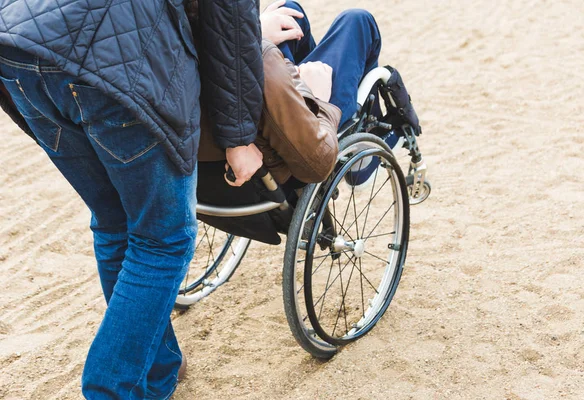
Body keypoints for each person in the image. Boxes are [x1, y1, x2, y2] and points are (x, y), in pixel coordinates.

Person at [0, 1, 263, 398]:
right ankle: (110, 391)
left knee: (113, 221)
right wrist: (240, 135)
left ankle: (157, 376)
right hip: (112, 59)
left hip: (17, 44)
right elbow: (229, 13)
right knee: (163, 240)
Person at [198, 0, 420, 189]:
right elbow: (314, 157)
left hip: (223, 114)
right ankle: (363, 158)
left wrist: (255, 32)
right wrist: (317, 99)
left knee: (291, 12)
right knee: (359, 22)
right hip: (289, 142)